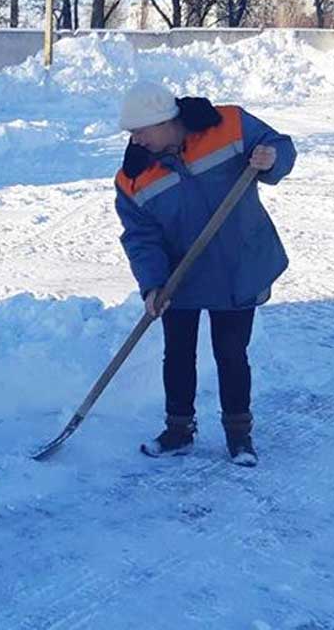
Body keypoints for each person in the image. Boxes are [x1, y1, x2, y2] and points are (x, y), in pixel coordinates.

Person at [113, 80, 296, 467]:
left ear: (165, 121)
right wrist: (153, 284)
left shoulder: (228, 125)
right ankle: (178, 431)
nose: (137, 140)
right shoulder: (133, 177)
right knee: (177, 354)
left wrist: (271, 158)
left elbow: (280, 145)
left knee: (231, 352)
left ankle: (239, 436)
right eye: (132, 134)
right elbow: (141, 238)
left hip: (238, 266)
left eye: (141, 131)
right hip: (181, 276)